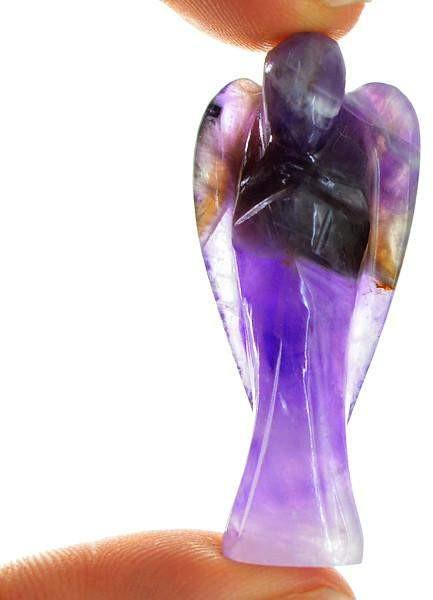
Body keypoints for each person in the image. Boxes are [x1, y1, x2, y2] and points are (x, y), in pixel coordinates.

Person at [0, 1, 365, 598]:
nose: (306, 107)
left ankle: (320, 516)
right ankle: (274, 516)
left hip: (324, 305)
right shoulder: (254, 150)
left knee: (317, 407)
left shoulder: (357, 154)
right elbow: (237, 228)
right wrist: (281, 210)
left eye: (317, 93)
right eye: (292, 93)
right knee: (278, 404)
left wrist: (316, 225)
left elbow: (363, 239)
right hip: (273, 301)